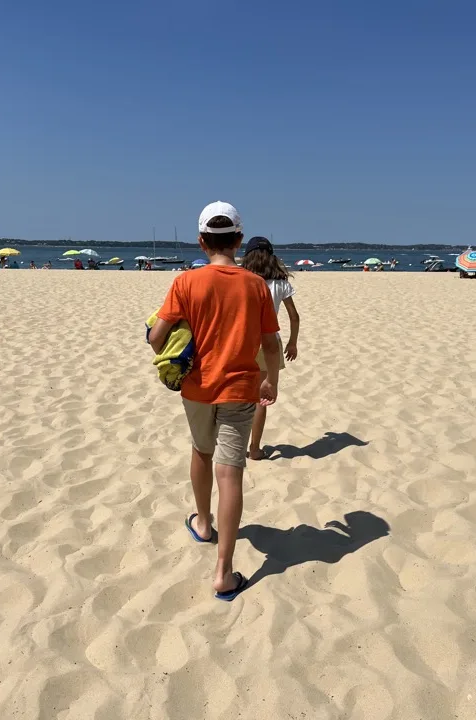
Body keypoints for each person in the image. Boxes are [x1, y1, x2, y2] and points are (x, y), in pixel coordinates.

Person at [147, 202, 280, 601]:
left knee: (201, 453)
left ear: (201, 241)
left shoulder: (186, 283)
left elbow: (156, 339)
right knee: (231, 474)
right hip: (241, 389)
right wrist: (270, 381)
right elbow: (270, 343)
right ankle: (223, 572)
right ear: (239, 240)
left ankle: (203, 523)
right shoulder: (254, 285)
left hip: (197, 388)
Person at [240, 237, 300, 461]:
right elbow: (294, 317)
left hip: (242, 341)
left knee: (237, 394)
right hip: (268, 342)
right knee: (261, 398)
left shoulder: (242, 279)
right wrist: (293, 342)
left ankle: (234, 445)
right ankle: (254, 449)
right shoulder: (280, 282)